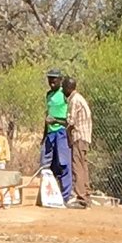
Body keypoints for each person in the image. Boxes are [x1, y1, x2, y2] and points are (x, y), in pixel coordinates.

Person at [41, 72, 77, 206]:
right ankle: (47, 194)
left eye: (54, 80)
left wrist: (56, 120)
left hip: (61, 132)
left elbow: (69, 120)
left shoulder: (64, 94)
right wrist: (44, 135)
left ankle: (66, 196)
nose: (51, 82)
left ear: (60, 80)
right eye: (49, 79)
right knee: (46, 164)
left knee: (64, 163)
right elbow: (47, 116)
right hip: (50, 133)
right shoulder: (48, 95)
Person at [67, 76, 96, 205]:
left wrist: (55, 120)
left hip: (79, 136)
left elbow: (71, 121)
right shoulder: (81, 99)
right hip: (85, 137)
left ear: (69, 88)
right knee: (83, 166)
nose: (62, 90)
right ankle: (86, 194)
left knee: (77, 166)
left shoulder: (74, 100)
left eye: (63, 88)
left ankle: (81, 198)